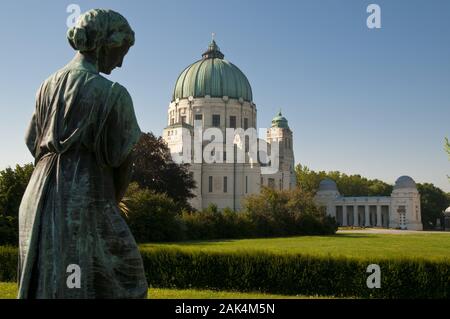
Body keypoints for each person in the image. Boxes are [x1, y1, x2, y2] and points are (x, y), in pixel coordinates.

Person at [18, 9, 148, 299]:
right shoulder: (113, 93)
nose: (122, 62)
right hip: (84, 195)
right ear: (105, 44)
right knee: (114, 277)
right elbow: (123, 159)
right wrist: (109, 200)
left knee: (53, 281)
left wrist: (51, 171)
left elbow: (31, 141)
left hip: (36, 194)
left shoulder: (46, 85)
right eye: (121, 51)